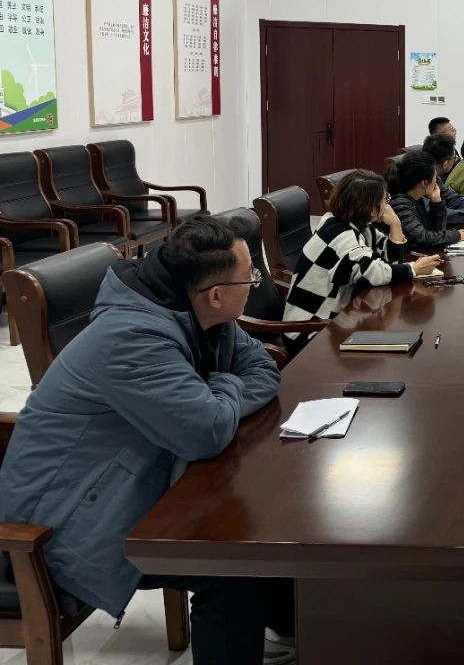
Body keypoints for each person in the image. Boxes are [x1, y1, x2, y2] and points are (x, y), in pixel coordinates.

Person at [0, 215, 295, 665]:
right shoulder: (132, 339)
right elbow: (205, 432)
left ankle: (297, 630)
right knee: (229, 564)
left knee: (263, 518)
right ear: (216, 294)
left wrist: (214, 392)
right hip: (61, 527)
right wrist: (221, 390)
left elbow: (262, 369)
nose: (255, 284)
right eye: (250, 277)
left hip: (132, 485)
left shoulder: (196, 309)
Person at [282, 169, 441, 353]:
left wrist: (395, 224)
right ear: (369, 207)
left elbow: (389, 259)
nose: (386, 205)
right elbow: (370, 272)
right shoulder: (339, 233)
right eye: (384, 200)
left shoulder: (358, 226)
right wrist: (413, 269)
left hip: (338, 317)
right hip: (310, 329)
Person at [386, 149, 464, 249]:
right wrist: (455, 235)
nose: (436, 182)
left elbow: (435, 232)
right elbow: (422, 238)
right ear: (424, 183)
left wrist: (436, 203)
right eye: (435, 177)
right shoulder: (399, 204)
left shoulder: (417, 200)